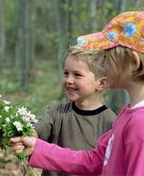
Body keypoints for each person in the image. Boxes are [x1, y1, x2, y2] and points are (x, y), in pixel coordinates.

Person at [10, 10, 144, 175]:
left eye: (107, 56)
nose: (102, 64)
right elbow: (94, 160)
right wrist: (38, 148)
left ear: (133, 62)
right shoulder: (131, 112)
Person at [33, 45, 116, 176]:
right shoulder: (56, 112)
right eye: (66, 73)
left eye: (77, 75)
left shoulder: (110, 121)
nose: (69, 80)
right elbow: (36, 130)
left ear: (101, 83)